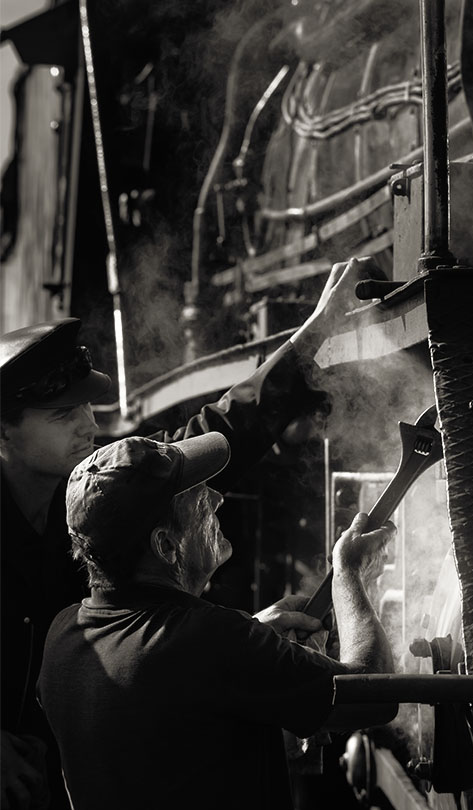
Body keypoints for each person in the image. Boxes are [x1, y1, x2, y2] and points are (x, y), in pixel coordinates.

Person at [0, 256, 386, 809]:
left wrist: (315, 333)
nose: (89, 424)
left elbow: (222, 432)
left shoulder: (93, 496)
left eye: (87, 404)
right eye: (62, 414)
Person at [37, 432, 397, 810]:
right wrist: (349, 574)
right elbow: (375, 697)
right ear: (166, 545)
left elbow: (165, 722)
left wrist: (253, 641)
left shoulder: (63, 634)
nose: (217, 498)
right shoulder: (212, 641)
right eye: (196, 496)